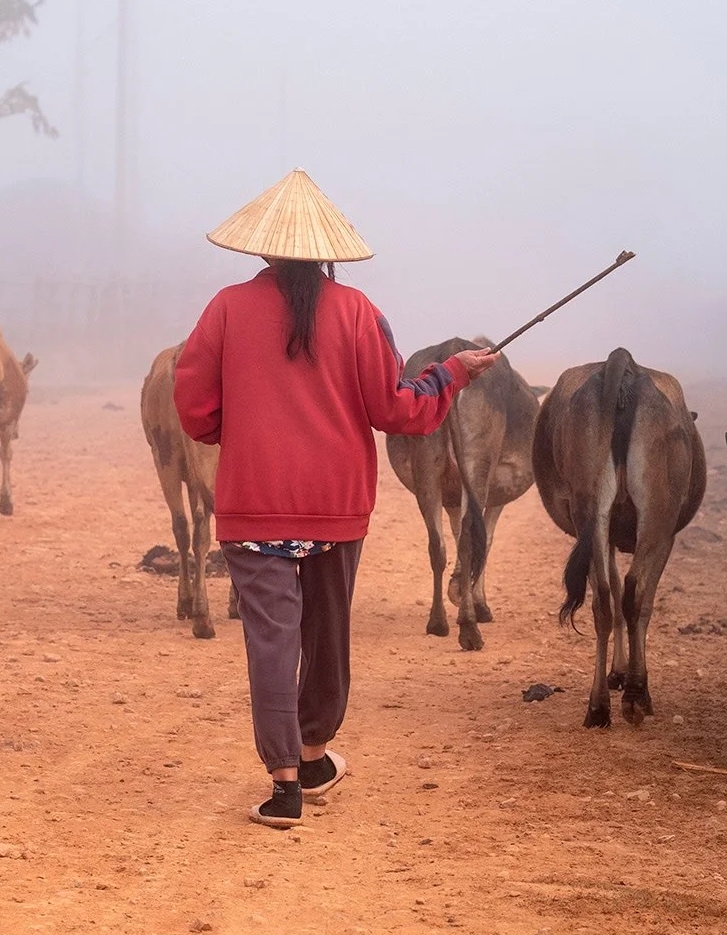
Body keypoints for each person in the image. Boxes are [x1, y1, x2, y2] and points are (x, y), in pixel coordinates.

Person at [173, 168, 497, 828]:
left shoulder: (226, 308)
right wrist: (453, 374)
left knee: (271, 640)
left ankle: (286, 783)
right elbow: (397, 407)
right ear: (327, 250)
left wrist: (238, 429)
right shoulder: (357, 313)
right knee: (327, 634)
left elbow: (194, 407)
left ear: (262, 248)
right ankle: (315, 749)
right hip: (335, 506)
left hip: (253, 503)